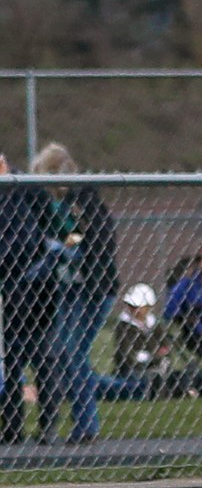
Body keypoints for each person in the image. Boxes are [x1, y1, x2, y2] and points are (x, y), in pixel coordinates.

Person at [30, 142, 119, 445]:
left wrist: (71, 251)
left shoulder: (83, 199)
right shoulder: (55, 206)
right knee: (65, 352)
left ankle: (87, 425)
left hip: (93, 287)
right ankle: (83, 422)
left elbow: (96, 241)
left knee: (74, 351)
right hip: (69, 287)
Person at [0, 152, 57, 444]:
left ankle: (48, 425)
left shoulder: (25, 191)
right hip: (11, 290)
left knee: (41, 356)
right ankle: (12, 427)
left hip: (36, 289)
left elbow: (27, 240)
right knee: (11, 359)